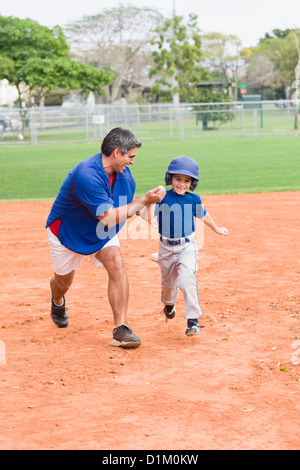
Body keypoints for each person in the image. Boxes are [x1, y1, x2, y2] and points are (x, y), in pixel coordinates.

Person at [46, 127, 166, 348]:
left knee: (116, 262)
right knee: (63, 283)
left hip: (100, 232)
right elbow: (109, 217)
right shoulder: (86, 175)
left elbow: (131, 207)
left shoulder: (124, 176)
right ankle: (57, 300)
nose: (132, 162)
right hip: (68, 232)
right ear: (117, 153)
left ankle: (121, 329)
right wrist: (144, 201)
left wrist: (157, 217)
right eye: (131, 156)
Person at [142, 156, 229, 336]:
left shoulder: (193, 199)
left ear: (192, 183)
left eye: (187, 180)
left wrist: (217, 228)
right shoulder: (163, 197)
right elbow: (148, 218)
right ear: (170, 179)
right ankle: (169, 304)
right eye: (178, 179)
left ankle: (193, 321)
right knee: (168, 285)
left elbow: (204, 215)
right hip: (166, 248)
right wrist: (151, 200)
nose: (182, 184)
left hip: (187, 246)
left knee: (187, 278)